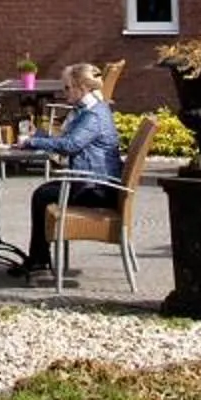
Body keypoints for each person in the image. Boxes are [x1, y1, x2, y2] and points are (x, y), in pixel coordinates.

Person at [14, 61, 122, 278]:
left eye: (67, 88)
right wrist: (40, 136)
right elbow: (67, 141)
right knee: (44, 193)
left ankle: (38, 259)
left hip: (97, 188)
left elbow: (71, 145)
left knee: (42, 195)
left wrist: (32, 143)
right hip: (94, 181)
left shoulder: (93, 116)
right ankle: (39, 258)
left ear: (82, 88)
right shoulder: (91, 110)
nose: (63, 93)